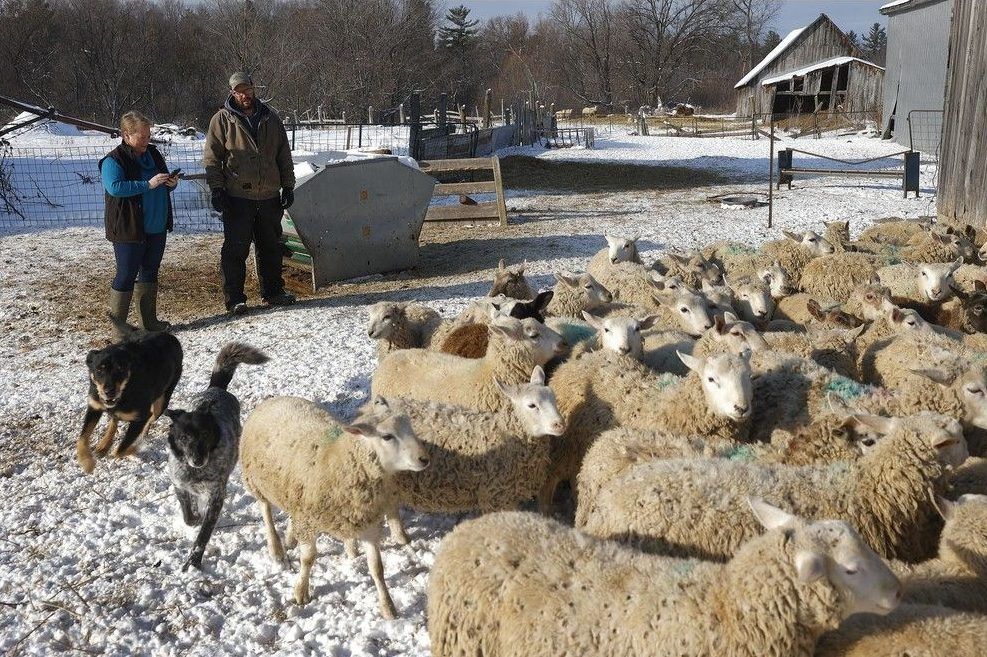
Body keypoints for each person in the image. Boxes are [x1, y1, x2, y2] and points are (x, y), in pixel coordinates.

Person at [203, 71, 296, 315]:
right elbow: (212, 159)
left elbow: (283, 155)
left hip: (268, 195)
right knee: (235, 249)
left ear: (254, 89)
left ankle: (273, 291)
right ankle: (235, 299)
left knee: (271, 246)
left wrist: (288, 185)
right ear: (232, 93)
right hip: (238, 197)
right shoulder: (222, 120)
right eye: (239, 91)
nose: (244, 95)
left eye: (248, 90)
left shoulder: (270, 118)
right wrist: (217, 189)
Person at [99, 111, 178, 330]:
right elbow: (114, 188)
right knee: (125, 275)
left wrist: (170, 183)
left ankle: (148, 323)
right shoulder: (113, 160)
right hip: (129, 229)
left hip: (156, 226)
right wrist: (147, 184)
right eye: (141, 136)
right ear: (126, 135)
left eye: (148, 135)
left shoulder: (153, 153)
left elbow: (160, 179)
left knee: (150, 271)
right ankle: (119, 331)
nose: (147, 140)